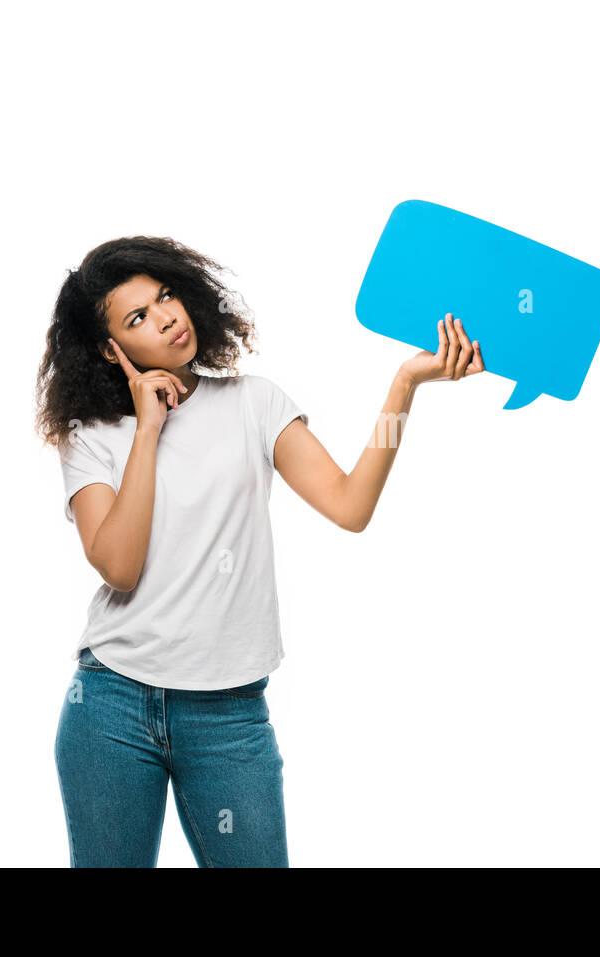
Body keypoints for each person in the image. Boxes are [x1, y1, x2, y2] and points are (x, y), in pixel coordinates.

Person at [33, 235, 484, 867]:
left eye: (164, 296)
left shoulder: (254, 403)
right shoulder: (93, 436)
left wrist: (404, 386)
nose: (165, 317)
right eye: (137, 318)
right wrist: (148, 429)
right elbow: (119, 564)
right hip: (111, 707)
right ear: (112, 350)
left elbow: (351, 506)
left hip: (229, 714)